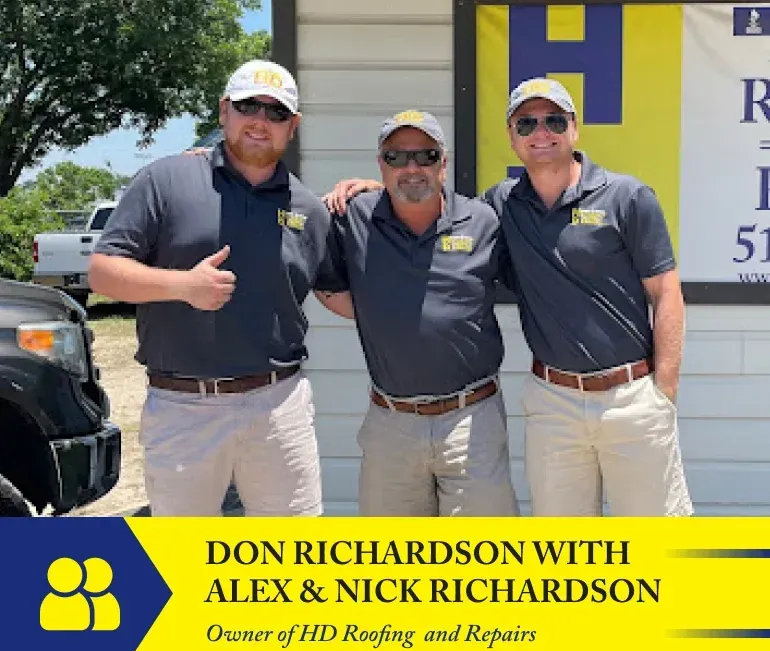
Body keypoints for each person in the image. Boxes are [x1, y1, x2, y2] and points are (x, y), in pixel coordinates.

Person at [323, 80, 693, 518]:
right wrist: (380, 186)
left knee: (657, 539)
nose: (541, 131)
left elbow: (666, 291)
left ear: (574, 128)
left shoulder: (628, 197)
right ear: (512, 136)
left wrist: (662, 392)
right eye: (527, 122)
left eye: (553, 120)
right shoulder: (500, 206)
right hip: (552, 402)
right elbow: (422, 202)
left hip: (630, 396)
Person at [88, 59, 346, 517]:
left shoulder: (308, 207)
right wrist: (183, 285)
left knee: (292, 558)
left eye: (276, 112)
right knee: (181, 565)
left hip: (279, 404)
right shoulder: (166, 180)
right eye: (249, 106)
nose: (260, 121)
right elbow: (104, 272)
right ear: (224, 111)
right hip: (184, 405)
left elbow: (333, 291)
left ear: (294, 127)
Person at [314, 110, 520, 517]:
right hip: (391, 422)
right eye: (396, 158)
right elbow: (325, 282)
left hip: (472, 421)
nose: (412, 168)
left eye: (425, 156)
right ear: (380, 164)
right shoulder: (353, 216)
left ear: (444, 164)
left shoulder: (482, 221)